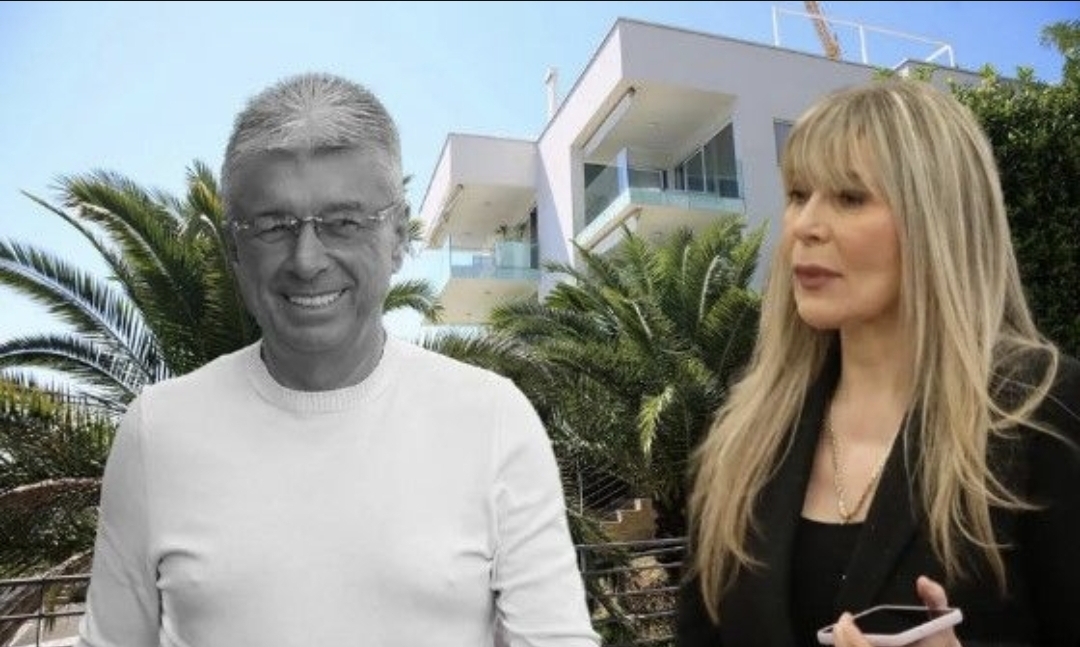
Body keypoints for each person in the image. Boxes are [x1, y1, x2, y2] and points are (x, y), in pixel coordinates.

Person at [76, 72, 599, 647]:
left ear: (397, 237)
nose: (307, 260)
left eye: (344, 223)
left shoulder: (493, 419)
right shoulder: (158, 429)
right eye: (272, 226)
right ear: (234, 248)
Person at [676, 78, 1080, 646]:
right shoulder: (741, 436)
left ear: (936, 219)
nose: (805, 226)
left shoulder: (1040, 411)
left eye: (849, 197)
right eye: (798, 194)